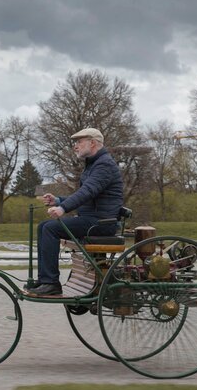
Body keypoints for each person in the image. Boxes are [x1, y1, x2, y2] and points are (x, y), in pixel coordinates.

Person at [27, 127, 124, 297]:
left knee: (50, 228)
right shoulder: (93, 165)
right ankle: (45, 280)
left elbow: (87, 192)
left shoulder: (104, 165)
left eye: (79, 142)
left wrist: (63, 208)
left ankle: (51, 283)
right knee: (43, 226)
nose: (75, 146)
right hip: (92, 219)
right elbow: (85, 196)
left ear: (92, 143)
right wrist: (58, 200)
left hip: (101, 223)